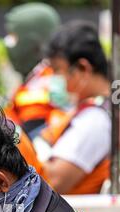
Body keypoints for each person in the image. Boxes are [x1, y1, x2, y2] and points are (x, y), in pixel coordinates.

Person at [37, 21, 111, 194]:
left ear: (82, 68)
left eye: (57, 70)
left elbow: (52, 181)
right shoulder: (94, 110)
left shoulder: (94, 122)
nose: (53, 79)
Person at [4, 3, 64, 137]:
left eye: (13, 37)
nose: (7, 43)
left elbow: (24, 135)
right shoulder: (36, 77)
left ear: (36, 45)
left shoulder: (44, 86)